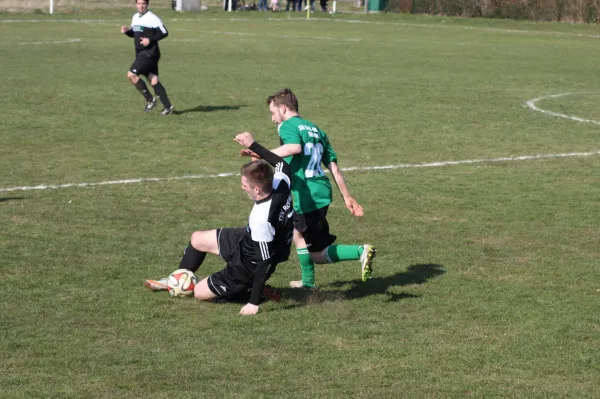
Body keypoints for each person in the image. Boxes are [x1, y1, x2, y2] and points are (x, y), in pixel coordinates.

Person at [240, 88, 376, 289]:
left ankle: (348, 259)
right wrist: (348, 197)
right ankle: (321, 273)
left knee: (307, 244)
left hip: (307, 194)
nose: (273, 119)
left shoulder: (287, 126)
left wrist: (260, 152)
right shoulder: (317, 130)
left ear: (283, 108)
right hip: (321, 191)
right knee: (306, 242)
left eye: (273, 113)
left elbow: (295, 147)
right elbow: (334, 169)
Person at [145, 134, 294, 315]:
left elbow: (264, 262)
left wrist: (253, 303)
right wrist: (253, 146)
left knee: (199, 292)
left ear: (257, 189)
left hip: (248, 266)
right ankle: (177, 280)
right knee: (197, 238)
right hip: (247, 238)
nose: (242, 187)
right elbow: (282, 164)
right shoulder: (280, 184)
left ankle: (251, 293)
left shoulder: (261, 218)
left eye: (244, 184)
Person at [121, 0, 174, 115]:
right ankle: (168, 107)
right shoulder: (135, 17)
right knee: (153, 79)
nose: (141, 5)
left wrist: (149, 40)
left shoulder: (152, 17)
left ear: (147, 4)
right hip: (141, 53)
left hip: (150, 52)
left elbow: (164, 32)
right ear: (136, 4)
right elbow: (134, 33)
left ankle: (151, 100)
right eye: (139, 3)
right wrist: (127, 32)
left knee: (131, 75)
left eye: (143, 3)